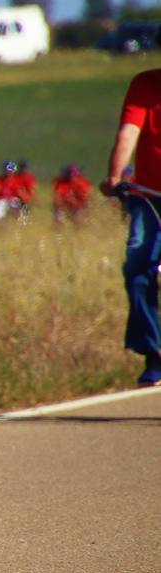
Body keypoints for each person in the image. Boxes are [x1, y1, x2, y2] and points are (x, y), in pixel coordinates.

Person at [100, 67, 161, 386]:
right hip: (149, 194)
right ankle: (154, 350)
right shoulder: (145, 84)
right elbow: (128, 133)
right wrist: (115, 175)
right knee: (137, 262)